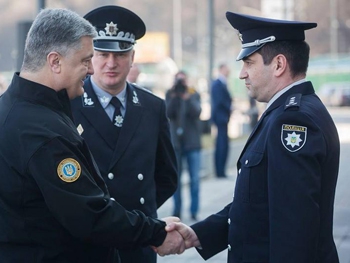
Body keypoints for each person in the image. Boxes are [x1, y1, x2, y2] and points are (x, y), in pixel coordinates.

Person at [0, 8, 184, 263]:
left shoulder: (13, 109)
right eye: (87, 60)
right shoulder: (44, 132)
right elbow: (87, 214)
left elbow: (166, 176)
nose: (90, 70)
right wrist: (154, 232)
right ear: (55, 61)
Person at [161, 12, 341, 263]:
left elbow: (294, 226)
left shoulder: (291, 120)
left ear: (279, 65)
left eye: (249, 62)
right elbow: (258, 203)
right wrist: (198, 234)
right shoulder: (288, 112)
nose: (242, 74)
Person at [70, 5, 178, 263]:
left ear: (132, 57)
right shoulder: (69, 103)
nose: (111, 63)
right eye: (103, 53)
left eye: (120, 54)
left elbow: (167, 176)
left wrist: (139, 215)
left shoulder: (153, 106)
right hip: (87, 244)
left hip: (137, 245)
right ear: (90, 57)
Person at [165, 71, 202, 221]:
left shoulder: (193, 93)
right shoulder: (170, 93)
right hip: (176, 144)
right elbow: (167, 113)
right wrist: (175, 97)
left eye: (183, 80)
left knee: (194, 179)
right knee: (176, 180)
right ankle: (177, 210)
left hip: (192, 143)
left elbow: (197, 112)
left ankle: (194, 210)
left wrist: (187, 98)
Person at [210, 63, 233, 178]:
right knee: (221, 145)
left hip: (223, 118)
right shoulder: (217, 84)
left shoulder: (222, 83)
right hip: (220, 119)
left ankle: (221, 171)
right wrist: (229, 107)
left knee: (223, 144)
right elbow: (220, 101)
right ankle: (220, 172)